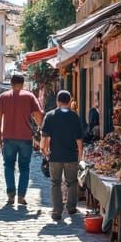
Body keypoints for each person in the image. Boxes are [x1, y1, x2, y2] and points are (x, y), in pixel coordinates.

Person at [0, 72, 43, 205]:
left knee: (8, 165)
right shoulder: (29, 96)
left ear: (11, 83)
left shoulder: (3, 97)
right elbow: (38, 115)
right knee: (25, 167)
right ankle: (21, 196)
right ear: (22, 83)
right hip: (25, 137)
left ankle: (11, 194)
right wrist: (39, 129)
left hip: (8, 137)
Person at [41, 89, 84, 221]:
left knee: (55, 183)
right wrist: (80, 155)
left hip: (55, 156)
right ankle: (71, 208)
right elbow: (79, 140)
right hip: (71, 155)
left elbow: (45, 137)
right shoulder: (74, 116)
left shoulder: (50, 115)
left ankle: (57, 211)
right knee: (72, 182)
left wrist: (44, 150)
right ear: (70, 100)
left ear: (57, 101)